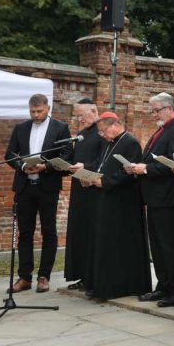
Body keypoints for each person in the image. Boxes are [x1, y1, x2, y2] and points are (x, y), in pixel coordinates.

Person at [125, 93, 174, 307]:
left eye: (156, 110)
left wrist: (145, 169)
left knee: (168, 244)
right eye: (152, 111)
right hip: (155, 197)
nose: (154, 115)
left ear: (169, 108)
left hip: (168, 197)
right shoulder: (163, 129)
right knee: (157, 244)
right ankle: (163, 285)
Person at [4, 93, 72, 293]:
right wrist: (22, 165)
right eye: (32, 111)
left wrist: (46, 166)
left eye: (39, 111)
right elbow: (9, 154)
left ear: (48, 108)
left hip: (47, 187)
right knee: (25, 232)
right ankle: (25, 277)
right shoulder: (21, 128)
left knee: (48, 231)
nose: (35, 115)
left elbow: (67, 155)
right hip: (24, 187)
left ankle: (44, 276)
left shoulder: (60, 128)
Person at [84, 111, 151, 300]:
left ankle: (118, 286)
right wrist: (88, 175)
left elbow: (128, 173)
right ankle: (102, 284)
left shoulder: (130, 143)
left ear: (115, 124)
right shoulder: (109, 142)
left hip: (123, 202)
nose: (102, 135)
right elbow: (101, 164)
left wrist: (105, 182)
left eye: (103, 131)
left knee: (117, 243)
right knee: (105, 241)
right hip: (107, 198)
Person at [63, 98, 104, 291]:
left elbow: (103, 161)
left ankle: (93, 277)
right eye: (77, 116)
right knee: (80, 232)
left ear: (94, 111)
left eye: (81, 115)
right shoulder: (81, 135)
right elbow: (75, 158)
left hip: (95, 189)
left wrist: (85, 166)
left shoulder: (103, 132)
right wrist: (65, 165)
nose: (79, 119)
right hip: (79, 188)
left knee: (92, 233)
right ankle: (82, 275)